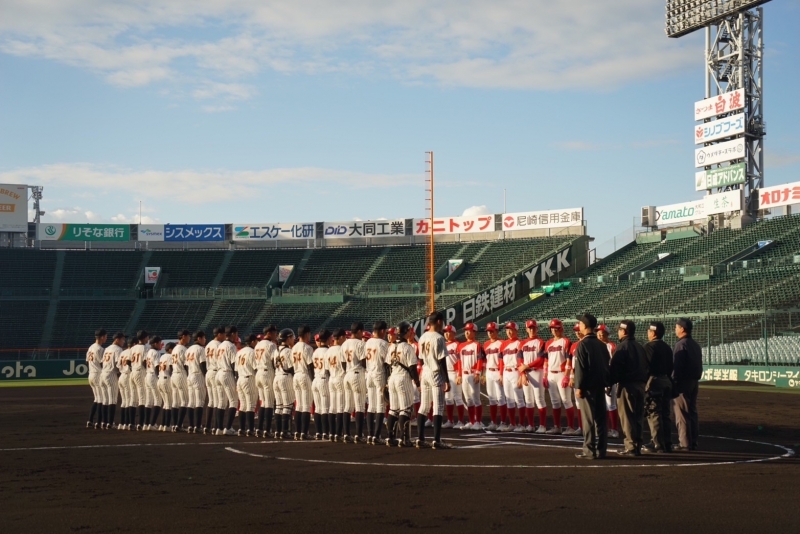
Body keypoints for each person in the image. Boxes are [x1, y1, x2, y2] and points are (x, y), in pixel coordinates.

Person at [572, 313, 610, 460]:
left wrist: (579, 387)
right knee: (601, 419)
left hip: (587, 387)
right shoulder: (602, 345)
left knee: (588, 419)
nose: (579, 325)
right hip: (600, 385)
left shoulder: (583, 344)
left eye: (581, 323)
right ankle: (602, 450)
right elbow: (606, 365)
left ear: (585, 326)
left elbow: (581, 369)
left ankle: (589, 450)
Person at [610, 321, 648, 456]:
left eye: (619, 330)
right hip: (641, 385)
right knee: (638, 417)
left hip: (627, 386)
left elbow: (615, 369)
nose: (618, 332)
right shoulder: (640, 346)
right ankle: (637, 445)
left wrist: (610, 383)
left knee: (627, 417)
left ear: (624, 331)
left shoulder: (622, 347)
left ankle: (631, 446)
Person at [416, 311, 451, 449]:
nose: (443, 324)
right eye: (442, 321)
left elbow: (420, 359)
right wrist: (447, 380)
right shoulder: (439, 338)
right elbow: (442, 361)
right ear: (438, 321)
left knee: (424, 406)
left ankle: (420, 438)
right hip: (435, 373)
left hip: (425, 372)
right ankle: (436, 440)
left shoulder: (422, 337)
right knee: (438, 407)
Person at [385, 322, 420, 447]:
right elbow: (412, 368)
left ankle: (390, 438)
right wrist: (417, 383)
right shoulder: (408, 347)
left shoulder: (391, 346)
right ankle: (404, 439)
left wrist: (387, 381)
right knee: (405, 409)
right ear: (406, 332)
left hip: (392, 378)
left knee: (393, 410)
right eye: (409, 330)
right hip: (403, 378)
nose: (410, 332)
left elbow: (387, 366)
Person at [673, 318, 703, 452]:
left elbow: (677, 367)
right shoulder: (695, 344)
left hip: (682, 383)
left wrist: (674, 382)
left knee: (682, 413)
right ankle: (693, 441)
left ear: (682, 329)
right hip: (694, 382)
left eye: (677, 327)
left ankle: (685, 443)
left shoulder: (681, 344)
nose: (675, 329)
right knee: (692, 412)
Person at [544, 319, 575, 434]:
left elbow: (569, 360)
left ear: (561, 329)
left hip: (562, 373)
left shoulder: (566, 341)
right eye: (552, 328)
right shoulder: (548, 343)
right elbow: (546, 361)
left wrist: (567, 375)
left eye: (556, 328)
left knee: (566, 400)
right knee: (554, 401)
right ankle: (557, 426)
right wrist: (545, 375)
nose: (554, 330)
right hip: (551, 374)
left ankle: (571, 427)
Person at [518, 320, 547, 433]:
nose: (531, 330)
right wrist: (523, 374)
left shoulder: (540, 342)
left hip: (537, 371)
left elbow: (540, 360)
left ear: (537, 329)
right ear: (526, 329)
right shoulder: (522, 343)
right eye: (529, 328)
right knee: (528, 400)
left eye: (533, 328)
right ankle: (531, 425)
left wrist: (527, 366)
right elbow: (519, 360)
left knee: (539, 399)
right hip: (526, 373)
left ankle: (542, 426)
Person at [456, 323, 485, 430]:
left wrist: (478, 373)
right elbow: (459, 362)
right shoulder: (460, 346)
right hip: (464, 374)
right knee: (468, 399)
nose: (467, 332)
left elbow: (480, 360)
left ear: (474, 332)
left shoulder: (477, 345)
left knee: (476, 398)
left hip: (473, 373)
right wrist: (459, 375)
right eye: (466, 330)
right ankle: (472, 421)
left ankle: (478, 422)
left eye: (469, 330)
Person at [342, 323, 367, 443]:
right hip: (357, 373)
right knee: (359, 406)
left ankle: (346, 434)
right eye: (362, 332)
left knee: (348, 406)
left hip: (347, 374)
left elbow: (343, 363)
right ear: (359, 331)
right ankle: (359, 434)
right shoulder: (360, 343)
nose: (362, 334)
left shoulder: (344, 344)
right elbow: (364, 362)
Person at [365, 321, 389, 444]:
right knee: (380, 406)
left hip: (369, 373)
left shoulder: (368, 342)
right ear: (382, 331)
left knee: (371, 405)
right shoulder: (384, 343)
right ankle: (377, 436)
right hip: (379, 373)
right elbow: (387, 363)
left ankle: (370, 435)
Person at [291, 325, 315, 440]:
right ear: (306, 334)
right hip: (305, 375)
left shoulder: (294, 347)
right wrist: (313, 379)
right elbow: (310, 366)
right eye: (309, 334)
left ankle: (297, 432)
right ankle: (304, 433)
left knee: (299, 406)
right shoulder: (307, 348)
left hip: (296, 375)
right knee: (306, 406)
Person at [596, 325, 620, 438]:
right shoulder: (596, 345)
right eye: (599, 334)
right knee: (603, 405)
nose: (600, 336)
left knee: (611, 404)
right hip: (599, 378)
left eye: (602, 334)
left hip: (609, 378)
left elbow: (613, 364)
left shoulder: (611, 346)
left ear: (607, 334)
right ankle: (605, 428)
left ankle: (614, 429)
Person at [500, 322, 525, 432]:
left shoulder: (520, 343)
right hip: (506, 372)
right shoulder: (504, 344)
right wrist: (501, 374)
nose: (509, 332)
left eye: (511, 329)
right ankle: (512, 423)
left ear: (516, 330)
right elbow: (501, 361)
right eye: (507, 330)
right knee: (509, 399)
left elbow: (521, 360)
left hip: (516, 371)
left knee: (519, 399)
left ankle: (521, 424)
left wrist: (521, 375)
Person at [215, 326, 239, 436]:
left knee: (221, 402)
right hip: (227, 373)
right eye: (236, 333)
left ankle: (219, 428)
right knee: (233, 401)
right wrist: (237, 378)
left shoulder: (220, 346)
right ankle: (228, 427)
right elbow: (234, 364)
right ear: (232, 334)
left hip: (218, 373)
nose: (237, 336)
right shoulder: (231, 346)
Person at [255, 325, 278, 437]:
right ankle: (267, 430)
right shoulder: (271, 345)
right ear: (269, 333)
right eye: (274, 332)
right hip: (267, 372)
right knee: (269, 403)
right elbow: (274, 362)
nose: (276, 334)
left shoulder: (258, 345)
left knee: (263, 403)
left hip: (258, 373)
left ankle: (259, 428)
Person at [482, 322, 506, 430]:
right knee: (491, 398)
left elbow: (503, 360)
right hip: (489, 372)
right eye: (488, 331)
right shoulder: (485, 344)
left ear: (497, 331)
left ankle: (503, 422)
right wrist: (483, 374)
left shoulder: (502, 343)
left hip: (498, 371)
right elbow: (484, 360)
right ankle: (493, 422)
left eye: (492, 331)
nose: (490, 333)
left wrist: (501, 374)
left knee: (501, 398)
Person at [273, 329, 296, 439]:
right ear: (288, 338)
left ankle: (278, 431)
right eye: (292, 337)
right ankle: (285, 431)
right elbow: (291, 367)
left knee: (279, 406)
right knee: (287, 406)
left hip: (276, 377)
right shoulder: (288, 351)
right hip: (285, 378)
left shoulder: (276, 350)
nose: (293, 339)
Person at [99, 332, 125, 429]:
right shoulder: (118, 349)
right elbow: (118, 364)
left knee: (105, 400)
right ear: (117, 339)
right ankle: (110, 423)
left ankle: (104, 422)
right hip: (111, 374)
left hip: (103, 374)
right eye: (122, 339)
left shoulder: (107, 348)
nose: (124, 341)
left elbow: (101, 363)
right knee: (112, 400)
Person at [442, 325, 465, 429]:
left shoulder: (457, 345)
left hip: (454, 373)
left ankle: (460, 421)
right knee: (448, 398)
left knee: (458, 397)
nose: (446, 334)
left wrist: (459, 374)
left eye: (449, 332)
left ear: (454, 333)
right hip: (446, 374)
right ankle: (450, 420)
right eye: (445, 332)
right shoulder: (443, 345)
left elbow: (460, 361)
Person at [236, 334, 258, 436]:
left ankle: (241, 428)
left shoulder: (239, 352)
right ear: (252, 341)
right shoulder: (252, 352)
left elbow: (235, 370)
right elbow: (255, 368)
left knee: (243, 405)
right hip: (249, 379)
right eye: (256, 341)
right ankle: (250, 429)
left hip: (240, 378)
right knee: (251, 405)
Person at [203, 327, 224, 435]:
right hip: (216, 372)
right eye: (223, 334)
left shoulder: (208, 344)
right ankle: (215, 427)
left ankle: (207, 426)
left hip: (209, 372)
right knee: (217, 401)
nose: (224, 336)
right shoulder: (219, 345)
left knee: (211, 401)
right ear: (219, 334)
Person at [185, 331, 207, 434]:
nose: (205, 340)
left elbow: (186, 366)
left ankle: (191, 425)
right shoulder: (201, 349)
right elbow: (203, 365)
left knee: (191, 402)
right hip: (198, 375)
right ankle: (197, 426)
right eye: (204, 338)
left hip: (190, 375)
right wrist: (206, 376)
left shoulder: (188, 349)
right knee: (199, 402)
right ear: (199, 338)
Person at [327, 328, 347, 442]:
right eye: (344, 337)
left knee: (332, 408)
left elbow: (326, 368)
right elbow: (345, 366)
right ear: (340, 338)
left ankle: (332, 433)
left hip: (331, 378)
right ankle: (338, 433)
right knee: (340, 407)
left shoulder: (328, 350)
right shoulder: (342, 349)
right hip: (340, 377)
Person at [311, 330, 332, 440]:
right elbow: (329, 369)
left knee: (318, 408)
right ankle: (325, 433)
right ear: (328, 339)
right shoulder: (328, 351)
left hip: (315, 379)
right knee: (325, 408)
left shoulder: (315, 351)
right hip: (324, 379)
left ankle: (318, 432)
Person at [170, 330, 191, 432]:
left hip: (174, 375)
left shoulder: (174, 349)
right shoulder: (183, 349)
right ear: (183, 337)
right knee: (184, 401)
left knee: (175, 402)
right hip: (181, 374)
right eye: (188, 336)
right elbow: (186, 365)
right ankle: (179, 425)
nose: (189, 338)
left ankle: (175, 425)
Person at [86, 329, 107, 429]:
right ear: (102, 337)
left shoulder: (91, 347)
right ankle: (98, 422)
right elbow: (103, 363)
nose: (106, 338)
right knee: (101, 399)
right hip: (98, 374)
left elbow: (87, 362)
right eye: (105, 336)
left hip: (91, 374)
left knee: (97, 399)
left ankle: (90, 421)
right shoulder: (100, 349)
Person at [130, 330, 149, 430]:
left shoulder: (133, 348)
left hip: (133, 372)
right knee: (142, 398)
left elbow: (128, 361)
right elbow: (145, 362)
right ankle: (140, 423)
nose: (148, 338)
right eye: (147, 337)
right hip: (140, 371)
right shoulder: (145, 348)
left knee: (133, 399)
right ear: (145, 338)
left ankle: (131, 423)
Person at [144, 336, 163, 431]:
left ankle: (146, 424)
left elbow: (144, 363)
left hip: (147, 375)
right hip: (153, 376)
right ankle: (152, 424)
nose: (161, 345)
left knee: (148, 401)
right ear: (155, 343)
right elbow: (156, 367)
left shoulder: (148, 352)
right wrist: (159, 377)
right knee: (158, 400)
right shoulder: (155, 353)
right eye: (159, 343)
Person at [157, 342, 175, 431]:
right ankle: (167, 425)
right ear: (170, 349)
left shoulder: (162, 356)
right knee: (169, 404)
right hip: (166, 379)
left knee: (165, 404)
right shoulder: (170, 357)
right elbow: (171, 369)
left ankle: (163, 425)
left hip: (160, 379)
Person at [117, 338, 134, 430]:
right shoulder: (132, 352)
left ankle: (122, 423)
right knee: (129, 400)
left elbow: (118, 365)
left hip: (121, 376)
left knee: (124, 401)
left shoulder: (123, 352)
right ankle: (127, 423)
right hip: (127, 376)